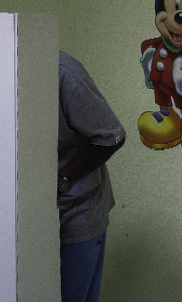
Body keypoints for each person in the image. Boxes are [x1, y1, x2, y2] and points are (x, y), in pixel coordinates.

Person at [57, 51, 126, 302]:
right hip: (37, 215)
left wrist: (63, 181)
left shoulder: (65, 74)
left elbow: (112, 137)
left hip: (78, 212)